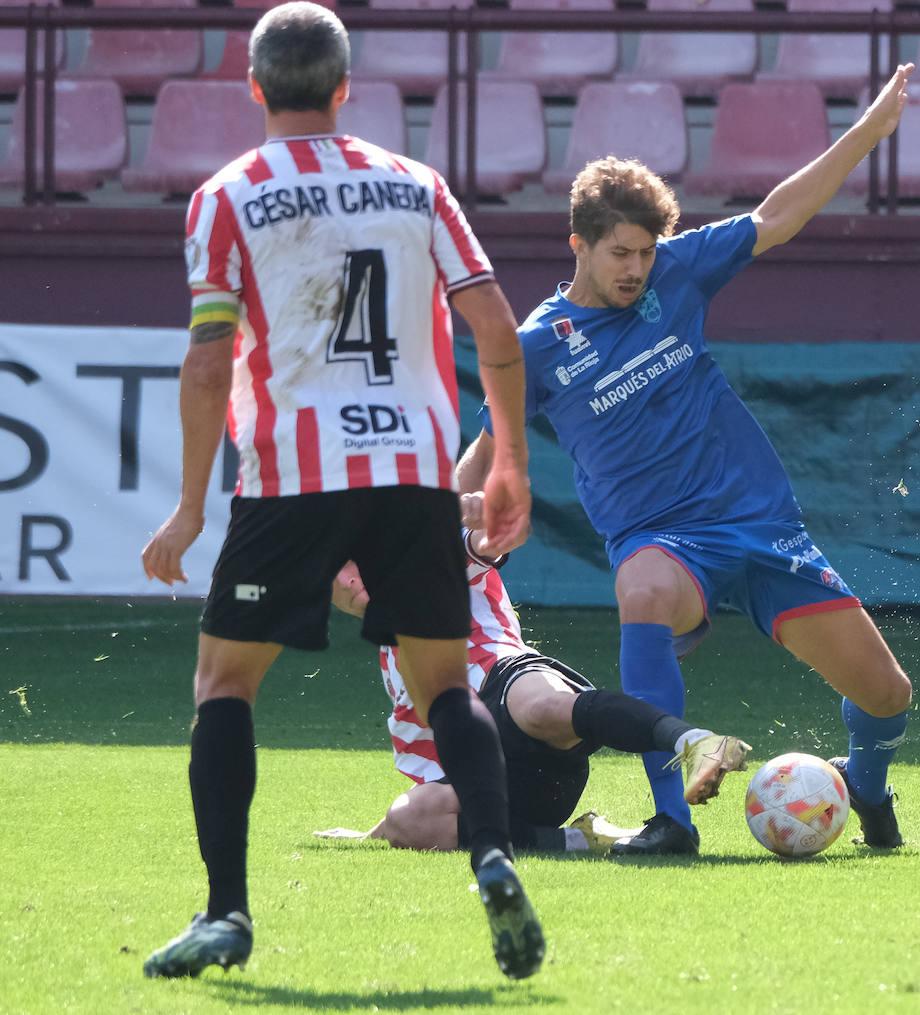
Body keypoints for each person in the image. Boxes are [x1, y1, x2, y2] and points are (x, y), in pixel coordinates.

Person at [139, 2, 544, 982]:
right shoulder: (415, 186)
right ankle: (492, 853)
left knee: (224, 686)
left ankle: (227, 912)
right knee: (448, 684)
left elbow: (206, 362)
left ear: (254, 88)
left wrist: (193, 505)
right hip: (411, 469)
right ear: (345, 87)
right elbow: (495, 327)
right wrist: (509, 462)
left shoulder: (228, 196)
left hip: (291, 474)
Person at [459, 67, 919, 856]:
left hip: (759, 523)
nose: (636, 268)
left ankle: (867, 786)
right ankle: (673, 817)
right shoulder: (538, 345)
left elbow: (778, 215)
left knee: (888, 693)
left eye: (646, 251)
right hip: (663, 543)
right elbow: (485, 453)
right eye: (620, 253)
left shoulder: (676, 273)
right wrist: (432, 518)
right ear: (578, 244)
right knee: (637, 589)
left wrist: (869, 134)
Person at [318, 511, 752, 854]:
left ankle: (695, 742)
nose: (346, 580)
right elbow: (434, 771)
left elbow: (479, 544)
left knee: (538, 706)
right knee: (410, 817)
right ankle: (583, 840)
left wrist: (492, 531)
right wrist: (379, 833)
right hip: (517, 789)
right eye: (330, 577)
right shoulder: (395, 666)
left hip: (513, 685)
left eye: (350, 560)